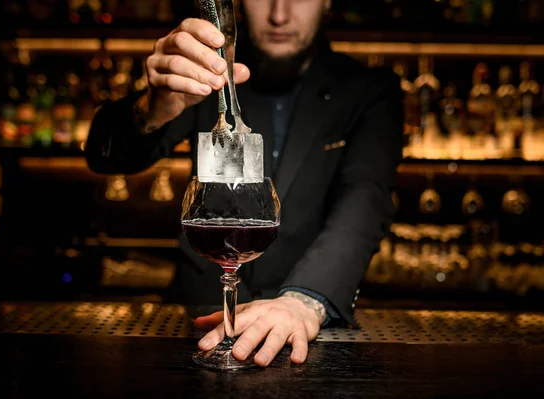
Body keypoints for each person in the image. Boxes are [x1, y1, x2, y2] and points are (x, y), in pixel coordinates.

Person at [85, 0, 403, 367]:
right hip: (195, 328)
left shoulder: (368, 90)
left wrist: (303, 300)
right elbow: (104, 156)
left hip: (302, 330)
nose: (279, 14)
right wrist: (151, 108)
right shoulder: (209, 74)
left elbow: (366, 198)